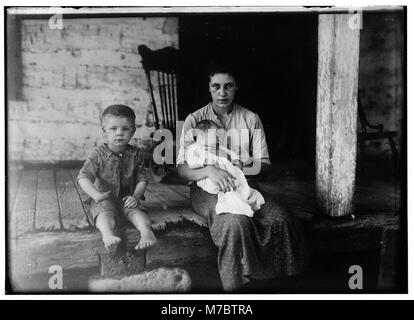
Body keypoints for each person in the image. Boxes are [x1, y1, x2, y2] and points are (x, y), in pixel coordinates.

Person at [177, 67, 306, 291]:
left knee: (282, 219)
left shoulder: (250, 118)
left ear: (236, 87)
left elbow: (264, 166)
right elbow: (182, 168)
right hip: (207, 188)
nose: (222, 92)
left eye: (228, 86)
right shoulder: (194, 119)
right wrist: (210, 171)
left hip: (243, 184)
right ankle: (234, 282)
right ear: (209, 88)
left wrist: (236, 169)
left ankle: (276, 281)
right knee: (234, 222)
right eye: (216, 86)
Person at [77, 105, 157, 251]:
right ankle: (107, 234)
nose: (119, 133)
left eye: (125, 129)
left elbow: (142, 179)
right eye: (113, 129)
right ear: (104, 131)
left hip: (128, 198)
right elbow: (83, 177)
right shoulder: (98, 153)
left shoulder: (137, 154)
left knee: (137, 213)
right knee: (103, 214)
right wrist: (96, 195)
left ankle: (147, 233)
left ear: (132, 131)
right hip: (105, 198)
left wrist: (136, 197)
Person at [185, 119, 265, 217]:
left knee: (241, 188)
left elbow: (231, 153)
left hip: (230, 175)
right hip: (209, 178)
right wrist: (205, 161)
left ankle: (241, 198)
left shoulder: (220, 148)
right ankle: (231, 200)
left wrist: (236, 161)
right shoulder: (195, 148)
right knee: (224, 190)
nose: (218, 138)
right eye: (215, 135)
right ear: (202, 135)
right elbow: (191, 162)